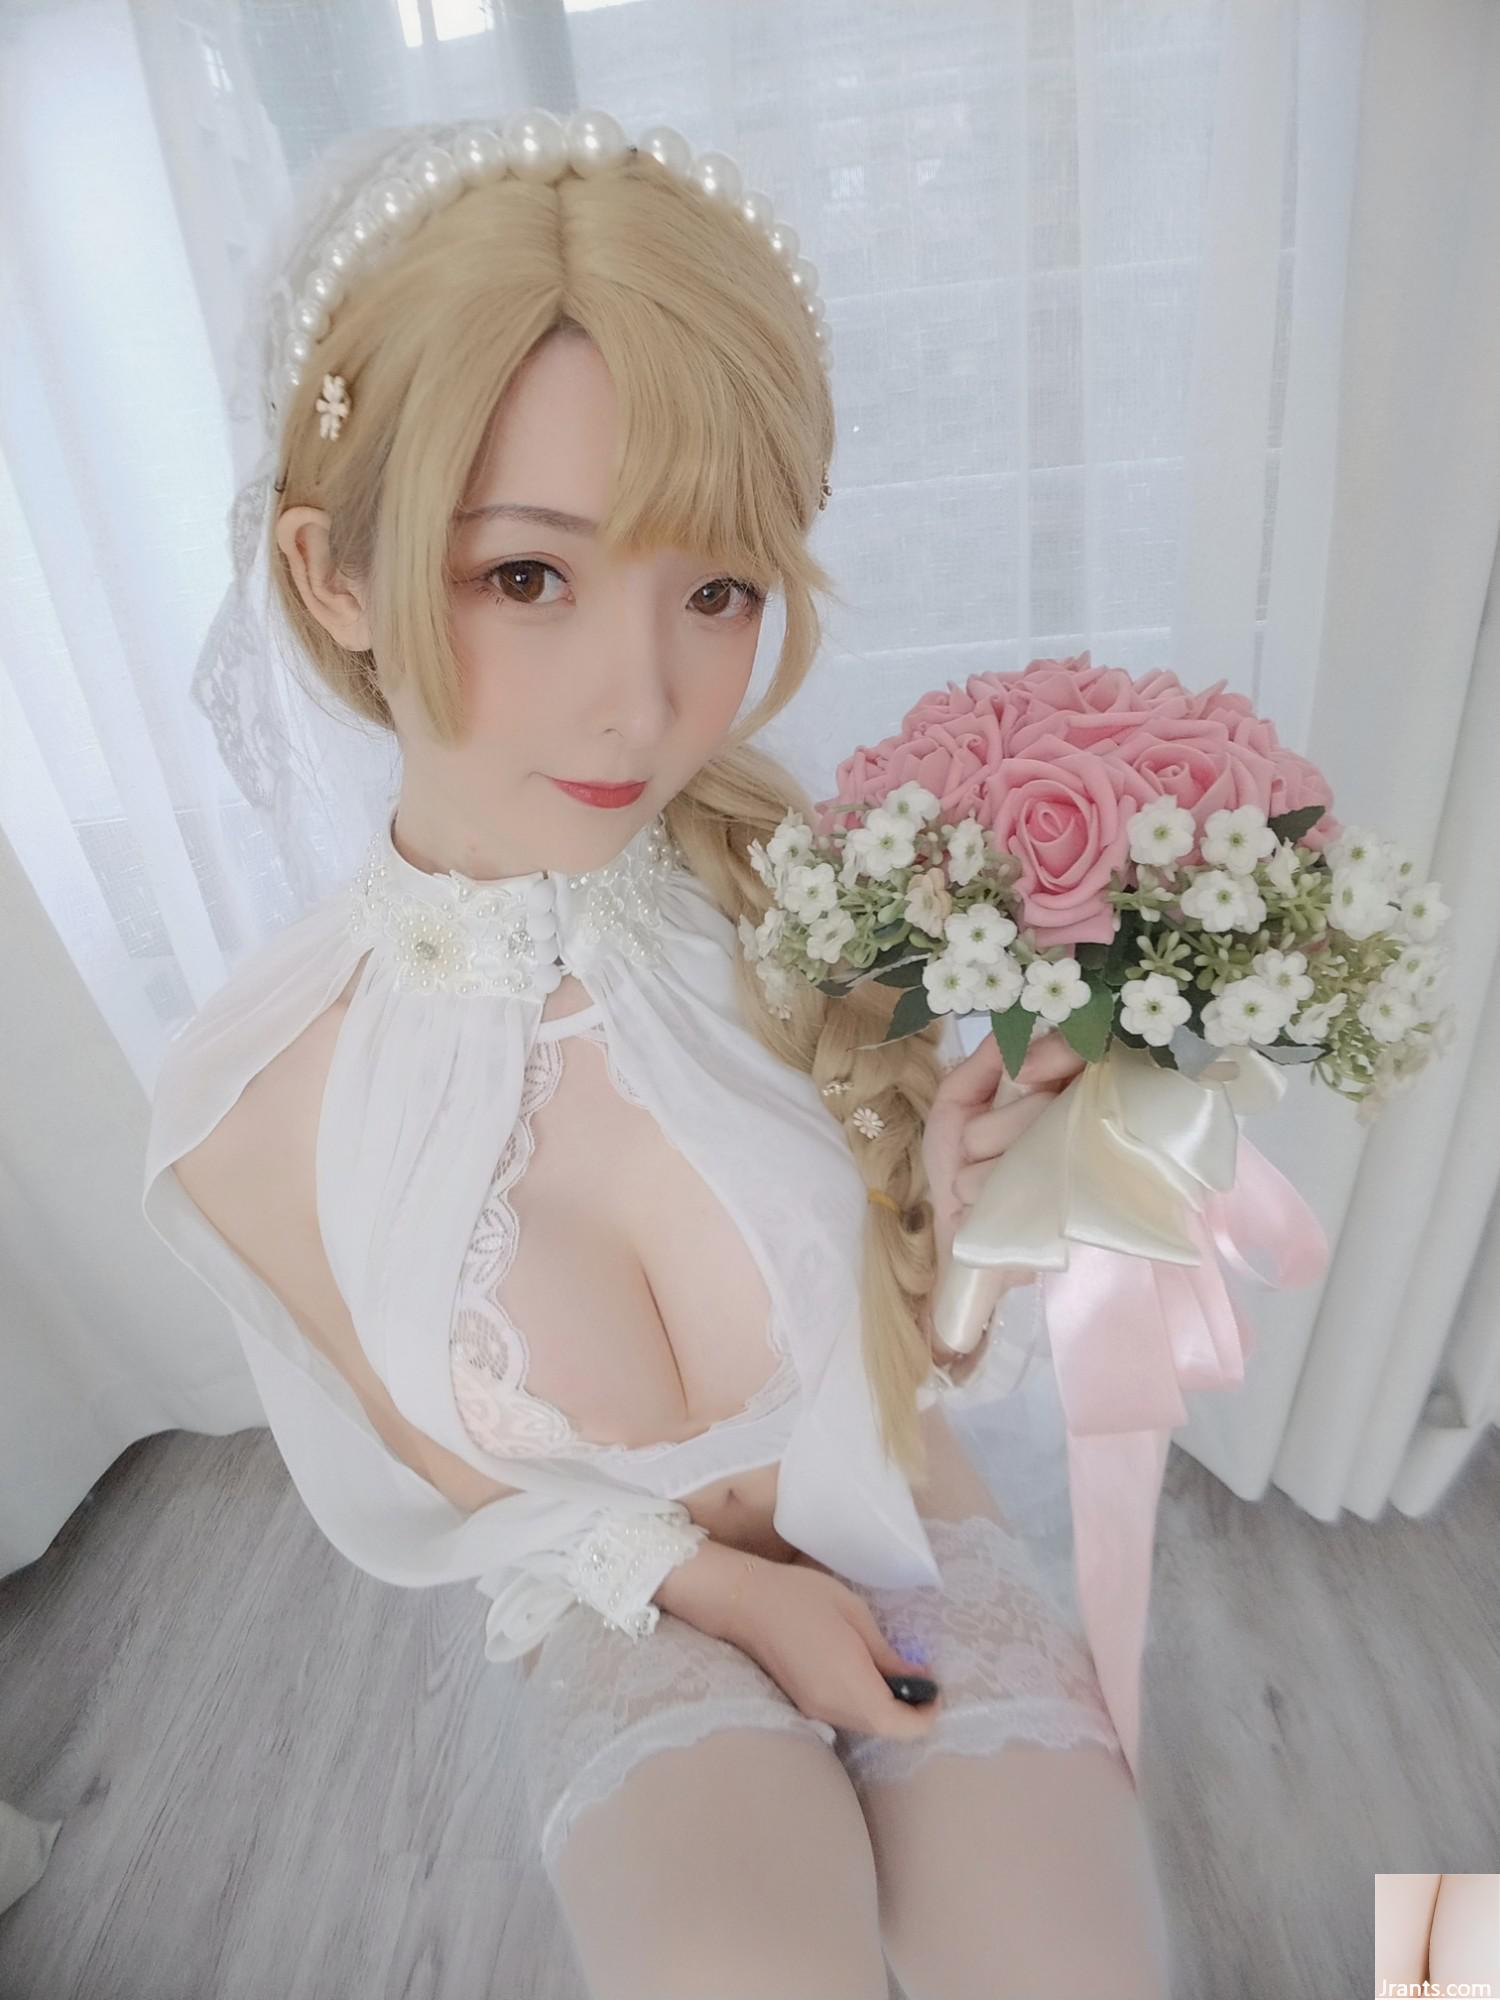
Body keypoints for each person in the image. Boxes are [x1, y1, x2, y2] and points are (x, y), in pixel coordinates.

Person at [142, 109, 1173, 1999]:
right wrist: (733, 1602)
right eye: (528, 577)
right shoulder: (252, 1109)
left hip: (907, 1530)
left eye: (716, 588)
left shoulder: (808, 906)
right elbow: (469, 1488)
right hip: (629, 1602)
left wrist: (978, 1219)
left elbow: (926, 1356)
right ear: (334, 574)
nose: (643, 701)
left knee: (1070, 1969)